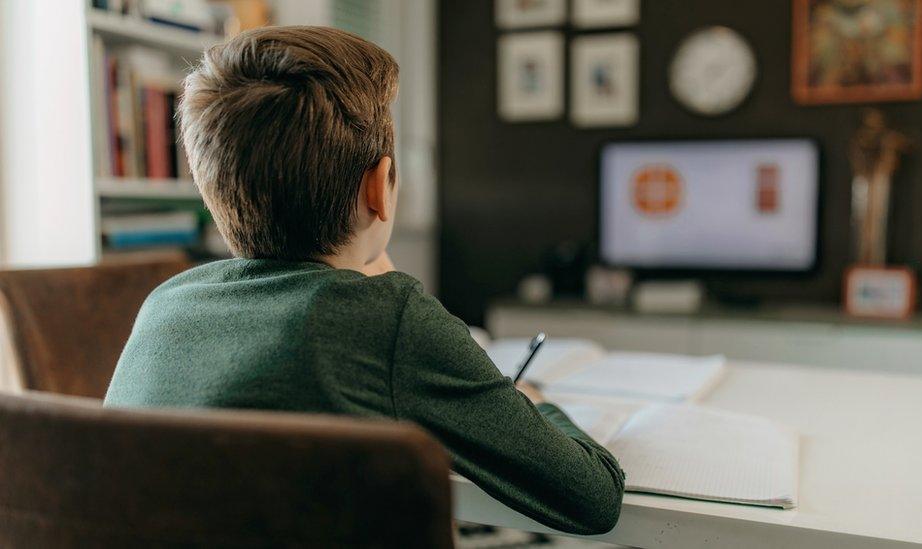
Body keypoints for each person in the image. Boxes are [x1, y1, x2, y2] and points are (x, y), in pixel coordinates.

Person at [104, 26, 624, 535]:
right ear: (380, 186)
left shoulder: (167, 303)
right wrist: (533, 400)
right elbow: (594, 498)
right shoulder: (387, 319)